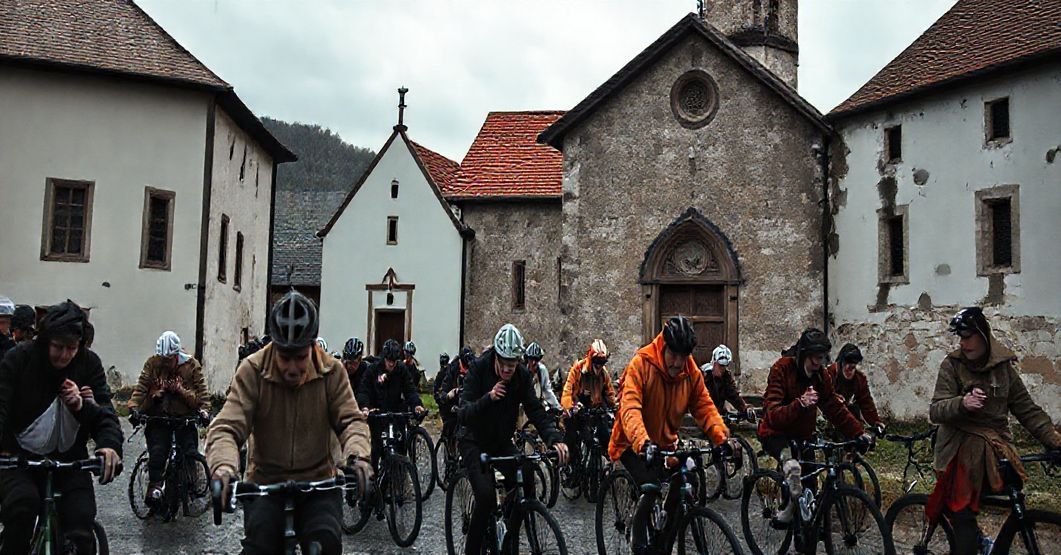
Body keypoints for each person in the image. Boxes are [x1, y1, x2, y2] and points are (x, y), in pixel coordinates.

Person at [206, 291, 372, 555]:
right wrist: (224, 468)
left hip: (318, 481)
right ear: (273, 346)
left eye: (301, 357)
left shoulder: (332, 371)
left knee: (326, 543)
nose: (292, 368)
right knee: (260, 546)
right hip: (265, 481)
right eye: (285, 357)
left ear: (313, 347)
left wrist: (358, 457)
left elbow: (351, 421)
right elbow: (227, 426)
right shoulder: (252, 371)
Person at [926, 307, 1061, 555]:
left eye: (967, 337)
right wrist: (962, 403)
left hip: (996, 449)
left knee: (1014, 491)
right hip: (958, 452)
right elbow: (935, 410)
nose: (962, 343)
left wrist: (1054, 440)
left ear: (983, 335)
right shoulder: (952, 365)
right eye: (960, 338)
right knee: (962, 512)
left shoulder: (1003, 369)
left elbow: (1027, 410)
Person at [0, 300, 123, 554]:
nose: (65, 355)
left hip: (70, 461)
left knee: (81, 525)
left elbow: (105, 414)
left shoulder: (89, 364)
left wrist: (109, 445)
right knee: (21, 508)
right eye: (58, 347)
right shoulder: (19, 359)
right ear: (46, 341)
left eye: (72, 348)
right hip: (19, 459)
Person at [609, 316, 739, 553]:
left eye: (684, 355)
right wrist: (642, 442)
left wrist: (722, 438)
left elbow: (704, 407)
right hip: (631, 442)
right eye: (674, 354)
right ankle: (638, 541)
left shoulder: (691, 372)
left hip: (665, 443)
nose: (678, 362)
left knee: (688, 479)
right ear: (664, 346)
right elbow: (630, 408)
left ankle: (664, 542)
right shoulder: (642, 364)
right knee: (650, 487)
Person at [456, 324, 569, 555]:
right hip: (474, 440)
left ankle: (511, 534)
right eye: (504, 363)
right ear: (496, 356)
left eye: (513, 363)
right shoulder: (479, 369)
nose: (508, 369)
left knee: (526, 473)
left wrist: (554, 439)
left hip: (500, 441)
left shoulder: (522, 376)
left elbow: (535, 410)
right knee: (486, 497)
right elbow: (463, 412)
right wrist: (488, 398)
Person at [757, 328, 868, 522]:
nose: (818, 363)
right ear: (802, 355)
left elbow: (833, 407)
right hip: (776, 433)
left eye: (822, 358)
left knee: (809, 491)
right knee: (792, 468)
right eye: (814, 358)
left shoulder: (820, 376)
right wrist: (799, 404)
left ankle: (807, 528)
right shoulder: (782, 369)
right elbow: (772, 414)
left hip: (804, 435)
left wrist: (858, 433)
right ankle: (787, 511)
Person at [127, 331, 211, 505]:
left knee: (189, 451)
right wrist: (134, 407)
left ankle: (191, 484)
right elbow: (141, 387)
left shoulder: (191, 366)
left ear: (176, 355)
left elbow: (202, 394)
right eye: (163, 360)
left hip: (184, 418)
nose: (165, 364)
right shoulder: (152, 364)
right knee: (157, 452)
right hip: (159, 417)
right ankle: (154, 488)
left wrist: (201, 409)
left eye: (169, 360)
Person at [356, 339, 424, 467]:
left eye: (394, 361)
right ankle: (374, 474)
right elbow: (364, 390)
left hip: (395, 410)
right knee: (376, 447)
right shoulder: (373, 369)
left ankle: (400, 472)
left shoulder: (401, 369)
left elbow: (410, 389)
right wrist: (365, 407)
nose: (391, 364)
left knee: (401, 444)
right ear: (384, 358)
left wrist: (416, 405)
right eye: (389, 361)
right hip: (378, 412)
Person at [561, 339, 616, 470]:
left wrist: (615, 406)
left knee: (605, 435)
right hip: (577, 412)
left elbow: (610, 393)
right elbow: (567, 391)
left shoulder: (604, 374)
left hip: (594, 412)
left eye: (602, 362)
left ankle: (606, 466)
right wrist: (569, 408)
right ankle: (567, 465)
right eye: (597, 361)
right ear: (591, 358)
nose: (599, 365)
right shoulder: (578, 369)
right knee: (572, 436)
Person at [827, 343, 884, 435]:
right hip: (829, 413)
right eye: (845, 364)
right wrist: (835, 398)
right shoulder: (830, 373)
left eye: (852, 367)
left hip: (848, 413)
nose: (847, 369)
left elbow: (866, 403)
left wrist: (876, 422)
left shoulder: (859, 379)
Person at [700, 344, 755, 422]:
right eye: (720, 365)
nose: (722, 369)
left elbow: (733, 395)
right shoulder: (703, 375)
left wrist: (745, 409)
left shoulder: (726, 377)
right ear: (714, 362)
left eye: (724, 366)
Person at [525, 342, 561, 412]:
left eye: (536, 360)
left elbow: (547, 390)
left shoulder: (542, 370)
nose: (533, 363)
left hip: (537, 403)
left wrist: (557, 406)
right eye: (531, 359)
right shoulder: (522, 371)